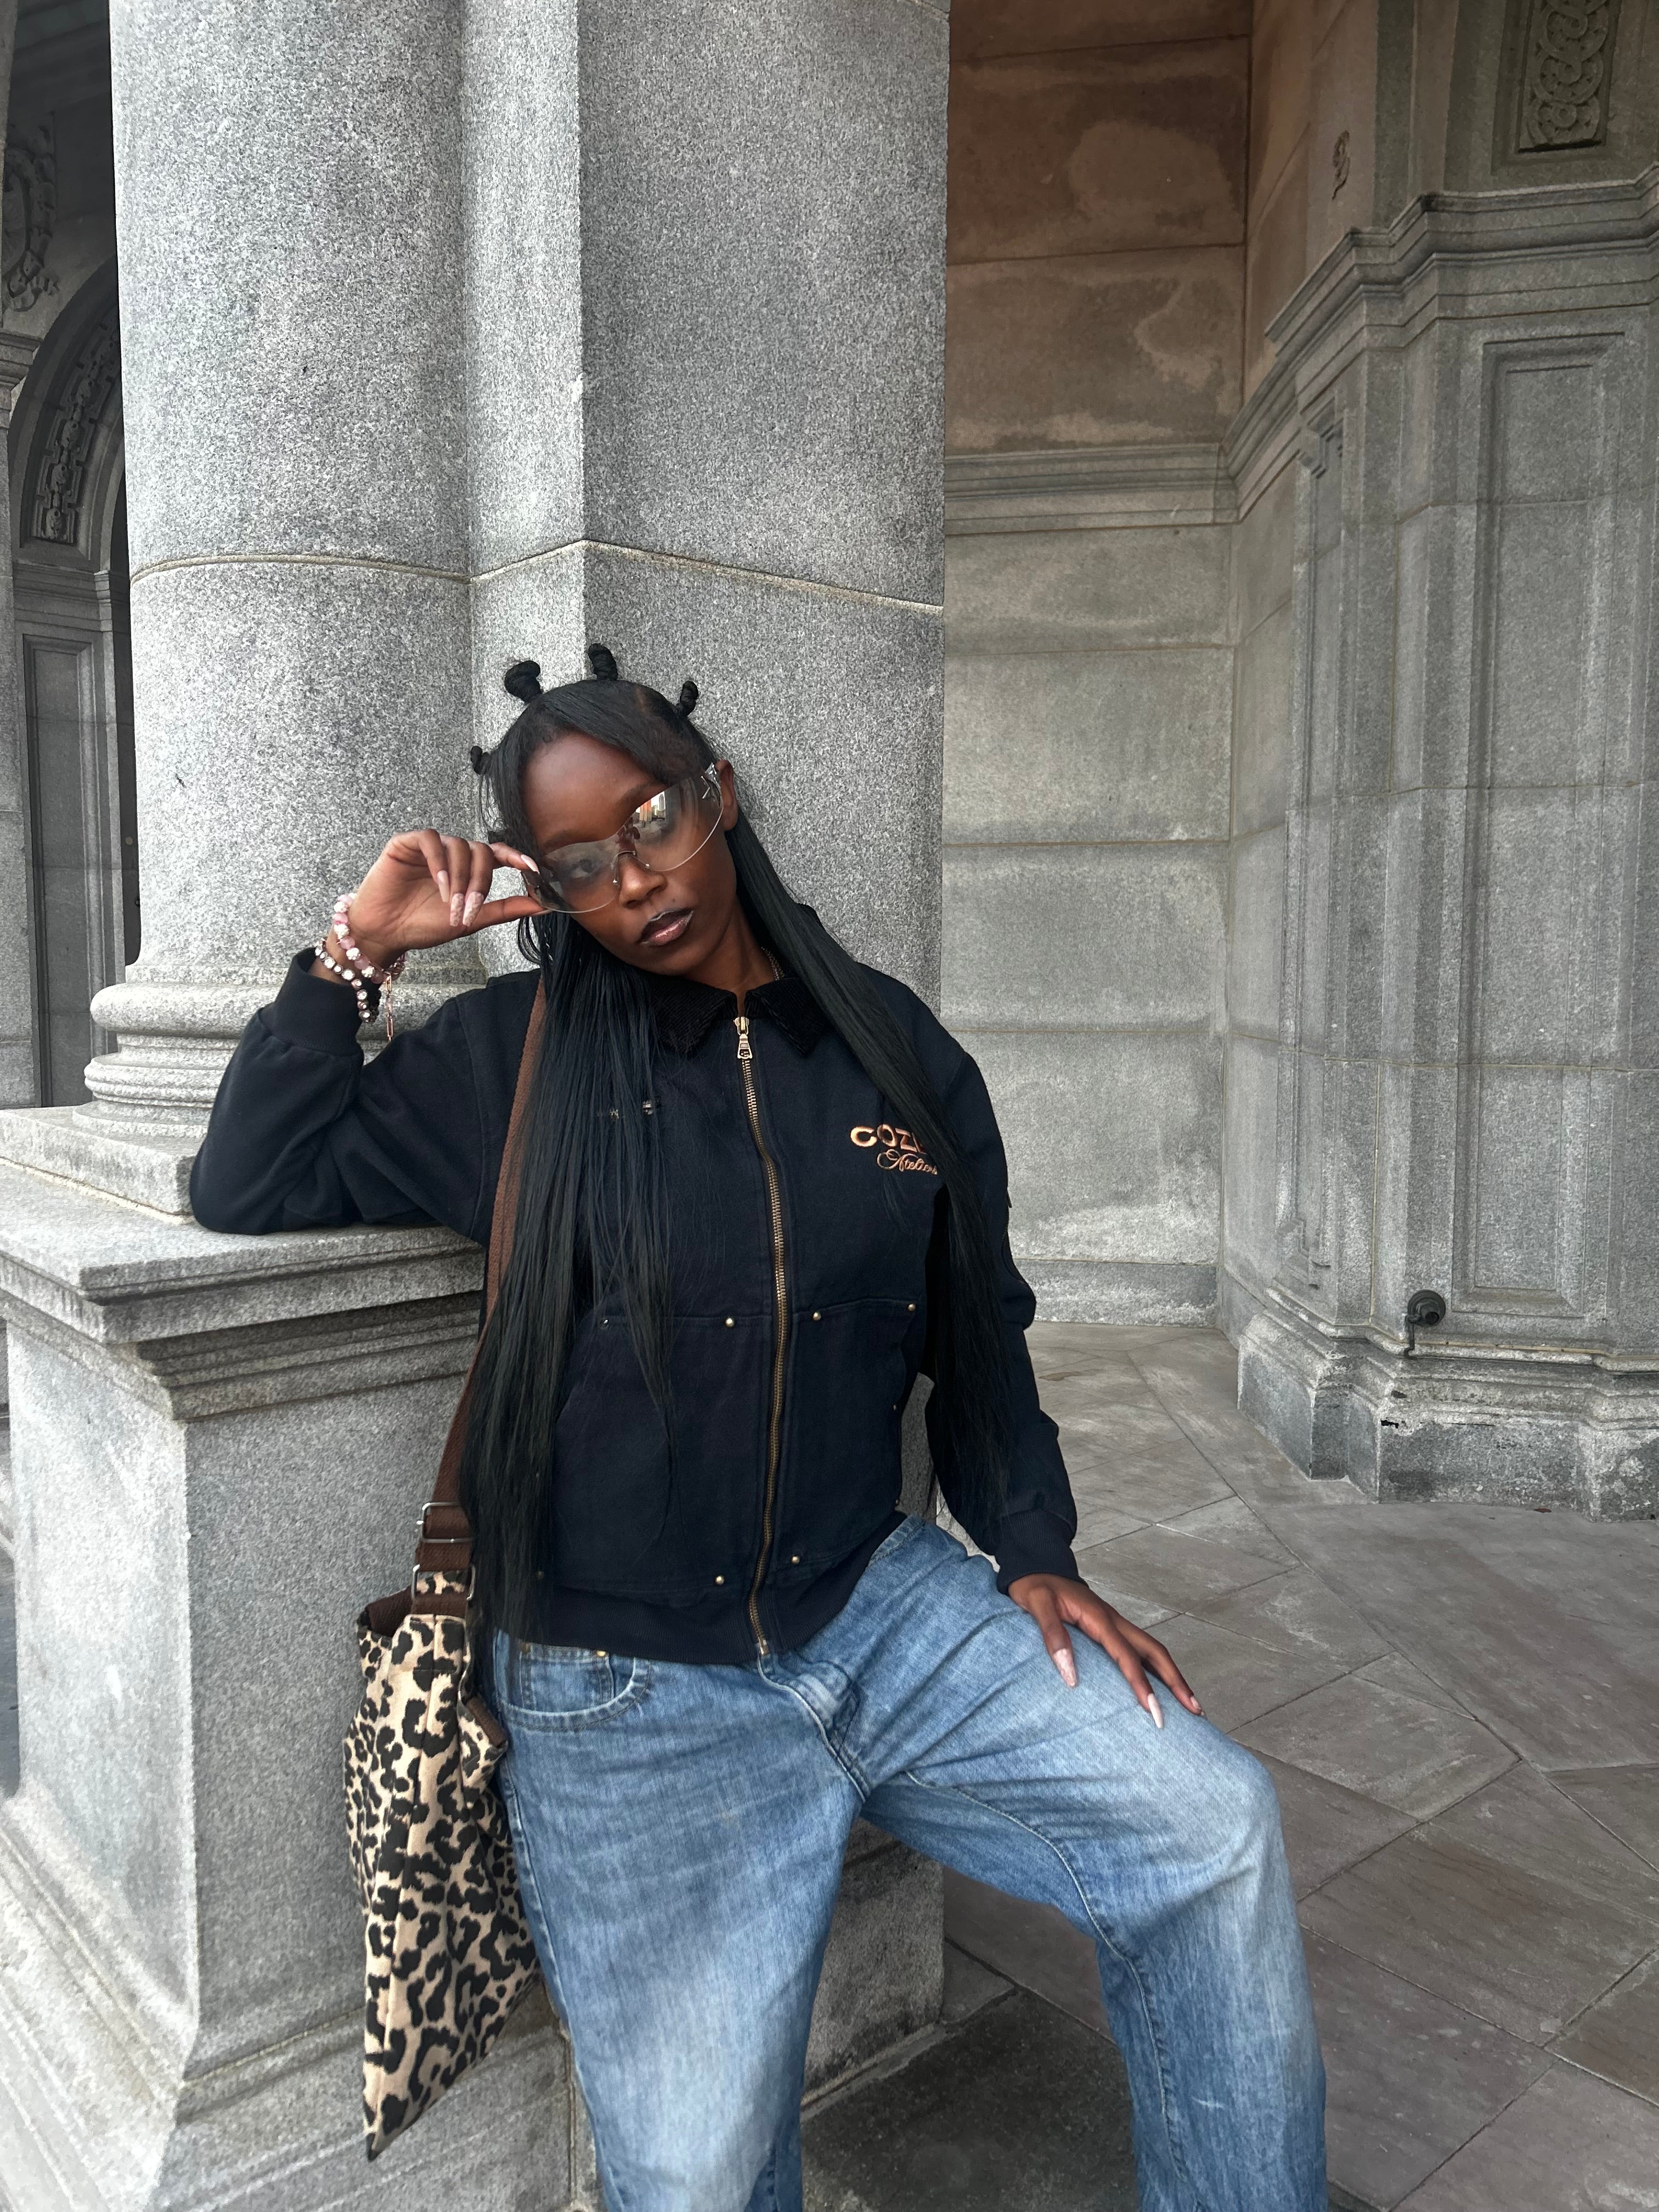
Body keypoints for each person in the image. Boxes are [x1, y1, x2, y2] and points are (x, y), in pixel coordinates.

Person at [190, 647, 1327, 2212]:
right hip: (622, 1689)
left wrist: (1034, 1545)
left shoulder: (891, 1050)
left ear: (715, 796)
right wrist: (356, 952)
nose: (634, 879)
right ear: (551, 888)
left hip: (873, 1608)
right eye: (579, 864)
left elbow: (976, 1325)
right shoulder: (510, 1064)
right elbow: (248, 1179)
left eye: (651, 821)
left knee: (1210, 1827)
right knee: (703, 2178)